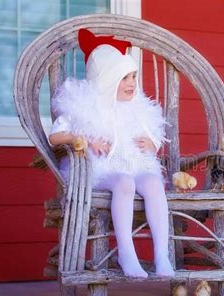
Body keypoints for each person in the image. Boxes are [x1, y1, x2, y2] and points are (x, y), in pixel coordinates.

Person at [48, 29, 174, 278]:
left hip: (134, 162)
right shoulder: (83, 106)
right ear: (106, 80)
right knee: (124, 183)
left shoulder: (136, 107)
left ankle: (162, 254)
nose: (132, 83)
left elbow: (154, 134)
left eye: (134, 76)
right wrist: (82, 138)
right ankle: (126, 252)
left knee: (153, 182)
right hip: (101, 168)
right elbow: (55, 137)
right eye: (124, 77)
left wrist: (151, 143)